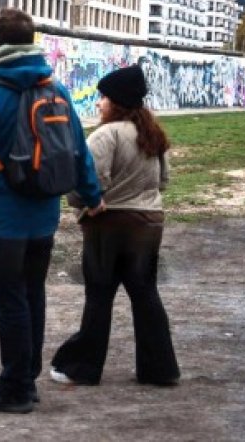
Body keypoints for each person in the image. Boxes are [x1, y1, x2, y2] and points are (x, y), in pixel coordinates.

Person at [0, 8, 104, 414]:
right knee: (32, 294)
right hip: (43, 218)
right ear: (32, 41)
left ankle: (15, 386)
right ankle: (26, 378)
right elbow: (77, 151)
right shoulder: (57, 89)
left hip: (0, 221)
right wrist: (92, 195)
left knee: (8, 300)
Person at [50, 65, 180, 387]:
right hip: (149, 224)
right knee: (145, 293)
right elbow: (163, 182)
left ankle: (83, 367)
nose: (99, 103)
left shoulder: (105, 136)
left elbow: (88, 182)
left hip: (108, 225)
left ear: (117, 102)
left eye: (103, 97)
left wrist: (79, 202)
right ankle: (160, 369)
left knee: (99, 295)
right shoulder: (153, 135)